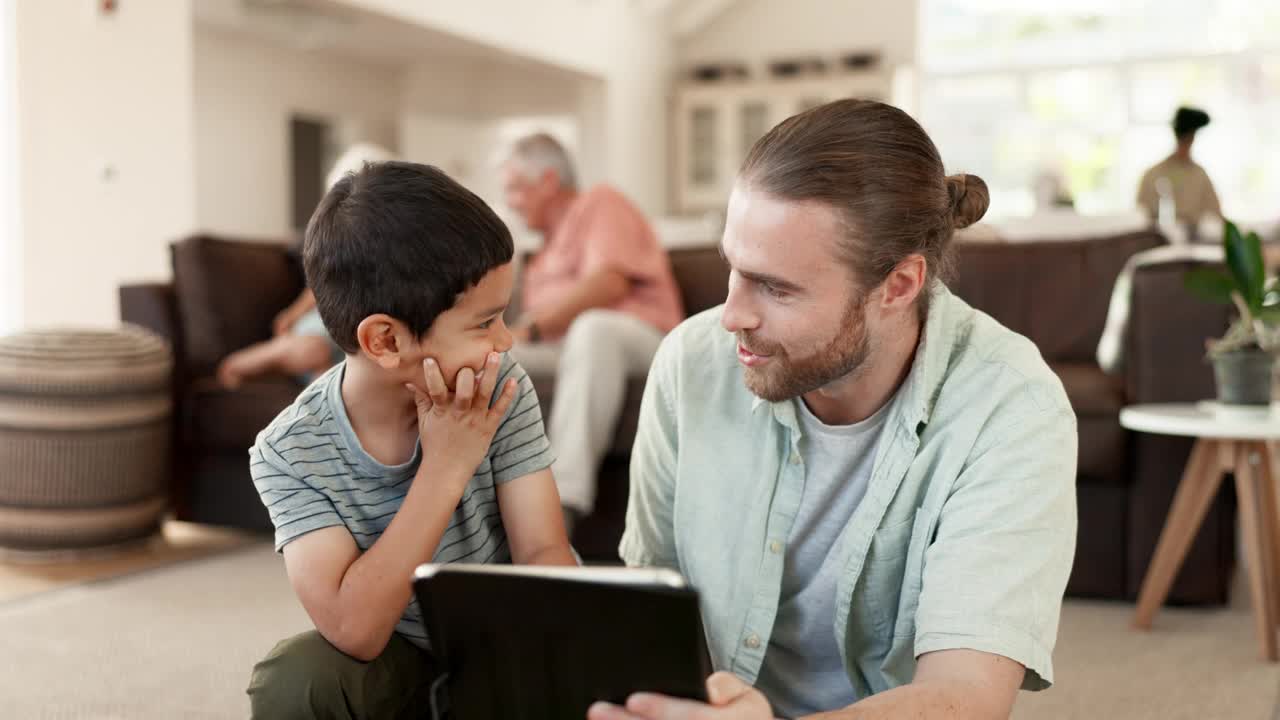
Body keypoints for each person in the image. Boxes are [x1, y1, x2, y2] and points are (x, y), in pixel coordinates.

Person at [594, 99, 1078, 720]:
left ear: (898, 286)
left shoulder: (1013, 408)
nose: (732, 315)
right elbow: (650, 602)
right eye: (733, 270)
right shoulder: (692, 362)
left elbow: (966, 696)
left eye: (775, 287)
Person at [245, 161, 577, 719]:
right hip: (394, 662)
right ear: (385, 340)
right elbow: (354, 631)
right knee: (295, 679)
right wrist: (446, 467)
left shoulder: (501, 387)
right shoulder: (289, 453)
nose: (504, 342)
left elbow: (542, 550)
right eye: (483, 323)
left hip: (502, 649)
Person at [500, 133, 684, 534]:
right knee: (491, 361)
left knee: (592, 328)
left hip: (638, 336)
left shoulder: (600, 203)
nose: (510, 201)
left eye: (514, 187)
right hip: (566, 348)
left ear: (548, 180)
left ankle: (563, 505)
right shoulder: (540, 252)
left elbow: (610, 284)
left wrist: (530, 327)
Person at [216, 142, 396, 389]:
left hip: (361, 336)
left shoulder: (393, 246)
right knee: (314, 350)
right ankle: (247, 361)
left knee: (341, 376)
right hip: (328, 319)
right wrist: (292, 314)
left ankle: (320, 397)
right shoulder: (339, 242)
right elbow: (320, 287)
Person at [1136, 106, 1222, 234]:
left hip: (1194, 238)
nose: (1188, 140)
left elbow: (1216, 212)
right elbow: (1142, 214)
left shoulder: (1199, 174)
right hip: (1162, 237)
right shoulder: (1154, 174)